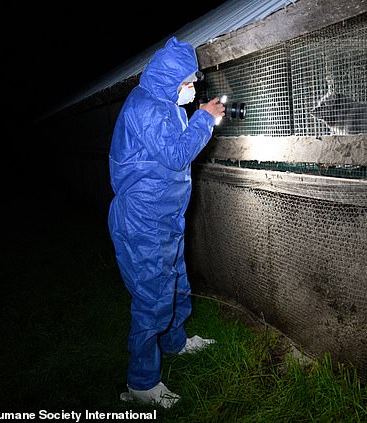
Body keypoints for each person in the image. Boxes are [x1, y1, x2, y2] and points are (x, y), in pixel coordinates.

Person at [107, 36, 225, 408]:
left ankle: (174, 343)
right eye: (186, 82)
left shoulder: (164, 103)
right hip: (143, 222)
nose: (192, 87)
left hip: (164, 216)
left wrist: (198, 116)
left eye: (193, 80)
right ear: (167, 80)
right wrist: (206, 117)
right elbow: (176, 154)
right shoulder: (147, 108)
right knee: (152, 297)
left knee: (175, 282)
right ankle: (142, 382)